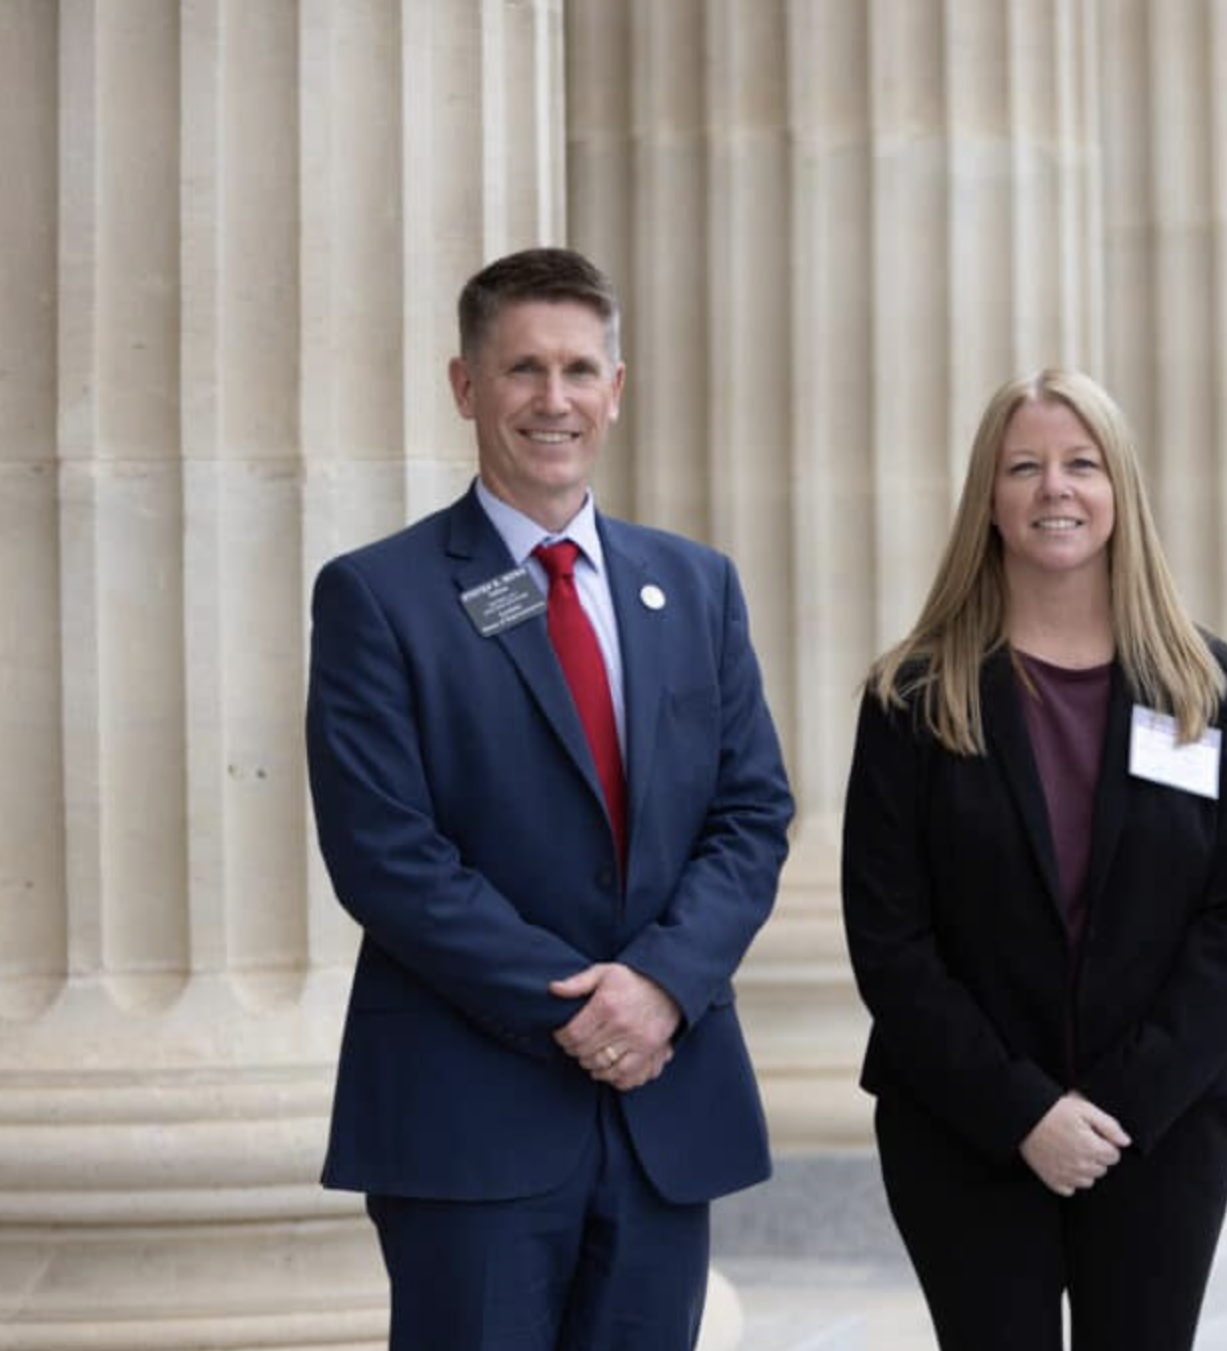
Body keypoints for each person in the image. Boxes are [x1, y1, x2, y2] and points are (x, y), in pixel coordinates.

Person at [305, 247, 794, 1351]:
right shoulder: (378, 596)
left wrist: (663, 985)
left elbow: (752, 811)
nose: (553, 398)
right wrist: (579, 1004)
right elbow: (386, 852)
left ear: (616, 391)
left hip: (665, 1105)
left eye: (579, 369)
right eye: (522, 369)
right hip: (469, 1113)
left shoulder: (697, 584)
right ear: (465, 387)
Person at [841, 368, 1227, 1351]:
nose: (1055, 490)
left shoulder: (1201, 685)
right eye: (1025, 467)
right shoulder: (912, 697)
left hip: (1161, 1127)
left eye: (1081, 465)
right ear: (988, 500)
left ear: (1119, 491)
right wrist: (1024, 1111)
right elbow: (890, 941)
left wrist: (1117, 1105)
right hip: (964, 1127)